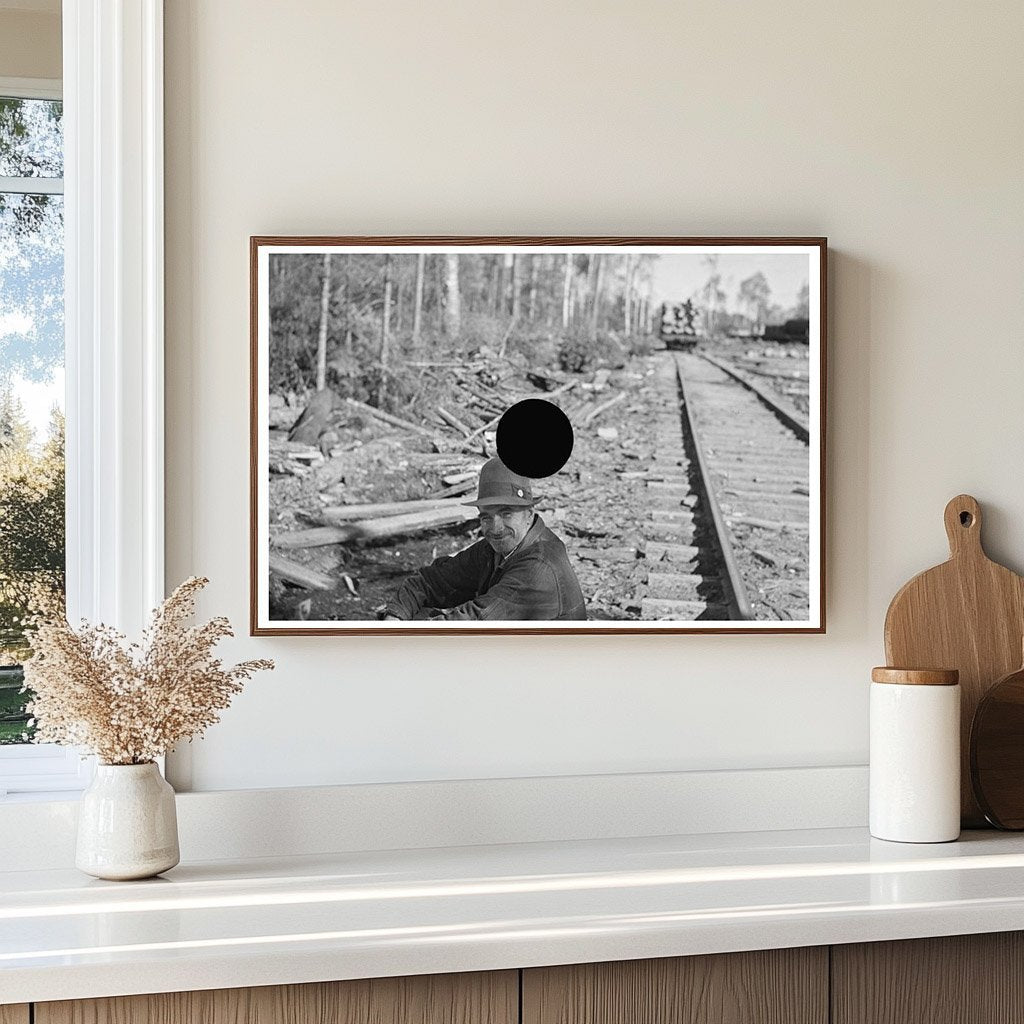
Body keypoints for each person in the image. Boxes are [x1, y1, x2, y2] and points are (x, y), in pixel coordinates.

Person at [383, 457, 586, 622]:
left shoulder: (539, 567)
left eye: (506, 513)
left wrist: (400, 632)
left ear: (529, 514)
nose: (495, 528)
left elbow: (473, 622)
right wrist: (395, 615)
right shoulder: (495, 550)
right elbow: (432, 580)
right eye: (486, 517)